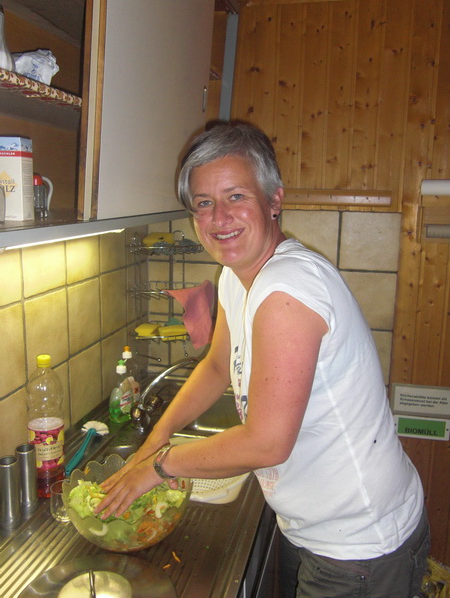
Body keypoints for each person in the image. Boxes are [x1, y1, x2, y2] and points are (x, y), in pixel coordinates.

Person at [98, 121, 429, 598]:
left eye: (236, 196)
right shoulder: (238, 277)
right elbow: (217, 366)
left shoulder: (287, 289)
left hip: (361, 545)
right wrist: (157, 438)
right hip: (318, 526)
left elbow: (268, 443)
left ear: (274, 200)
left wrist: (159, 466)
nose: (218, 217)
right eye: (204, 203)